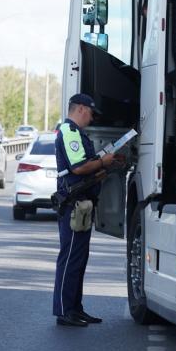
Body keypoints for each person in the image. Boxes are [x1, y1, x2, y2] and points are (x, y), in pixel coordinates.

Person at [53, 93, 123, 327]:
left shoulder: (76, 132)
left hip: (82, 204)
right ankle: (64, 311)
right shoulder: (70, 132)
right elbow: (79, 167)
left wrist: (106, 165)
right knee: (71, 258)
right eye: (91, 113)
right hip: (74, 203)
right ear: (81, 109)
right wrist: (103, 162)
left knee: (79, 259)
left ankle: (75, 308)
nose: (91, 119)